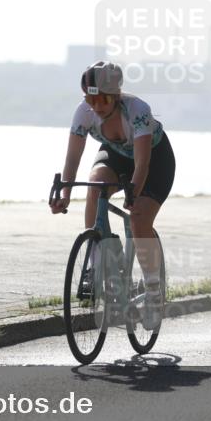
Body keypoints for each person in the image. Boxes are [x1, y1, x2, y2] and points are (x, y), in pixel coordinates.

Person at [49, 61, 176, 329]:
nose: (96, 106)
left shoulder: (137, 111)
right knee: (96, 186)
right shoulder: (83, 113)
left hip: (154, 161)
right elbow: (73, 157)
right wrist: (66, 193)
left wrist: (133, 194)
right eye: (90, 99)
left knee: (139, 217)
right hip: (116, 156)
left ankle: (154, 292)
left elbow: (142, 164)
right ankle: (95, 264)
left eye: (103, 99)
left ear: (116, 95)